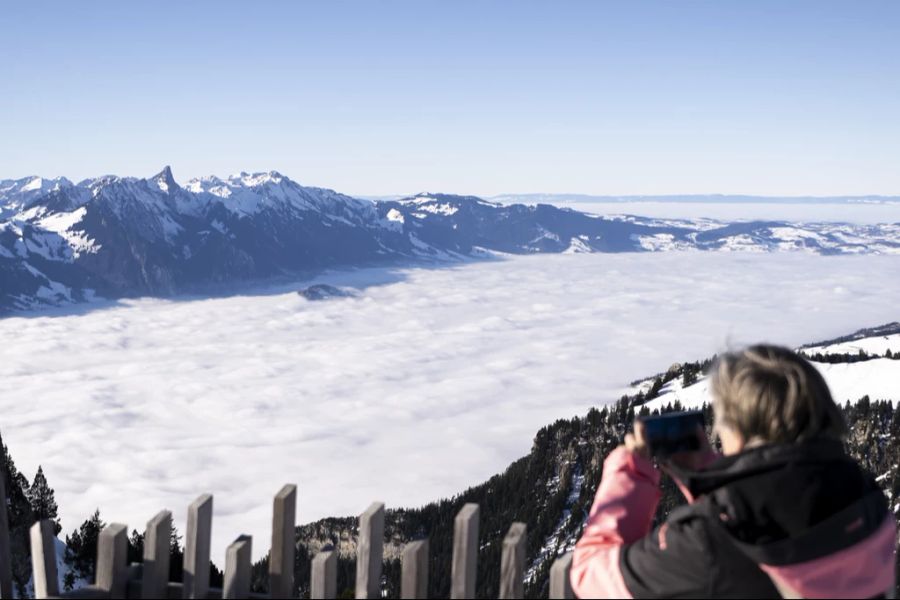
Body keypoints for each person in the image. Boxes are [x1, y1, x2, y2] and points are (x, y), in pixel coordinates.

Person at [571, 344, 897, 599]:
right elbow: (777, 497)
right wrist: (708, 473)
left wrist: (631, 472)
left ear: (738, 432)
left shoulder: (708, 542)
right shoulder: (865, 497)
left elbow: (589, 576)